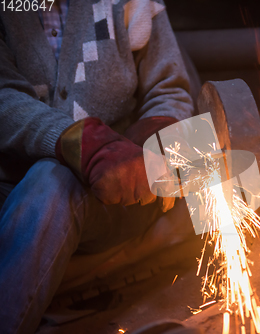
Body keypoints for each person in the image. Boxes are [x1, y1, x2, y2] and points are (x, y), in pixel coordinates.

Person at [0, 0, 198, 332]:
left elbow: (170, 91)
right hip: (10, 189)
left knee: (52, 181)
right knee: (51, 179)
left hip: (111, 200)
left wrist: (142, 146)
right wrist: (85, 144)